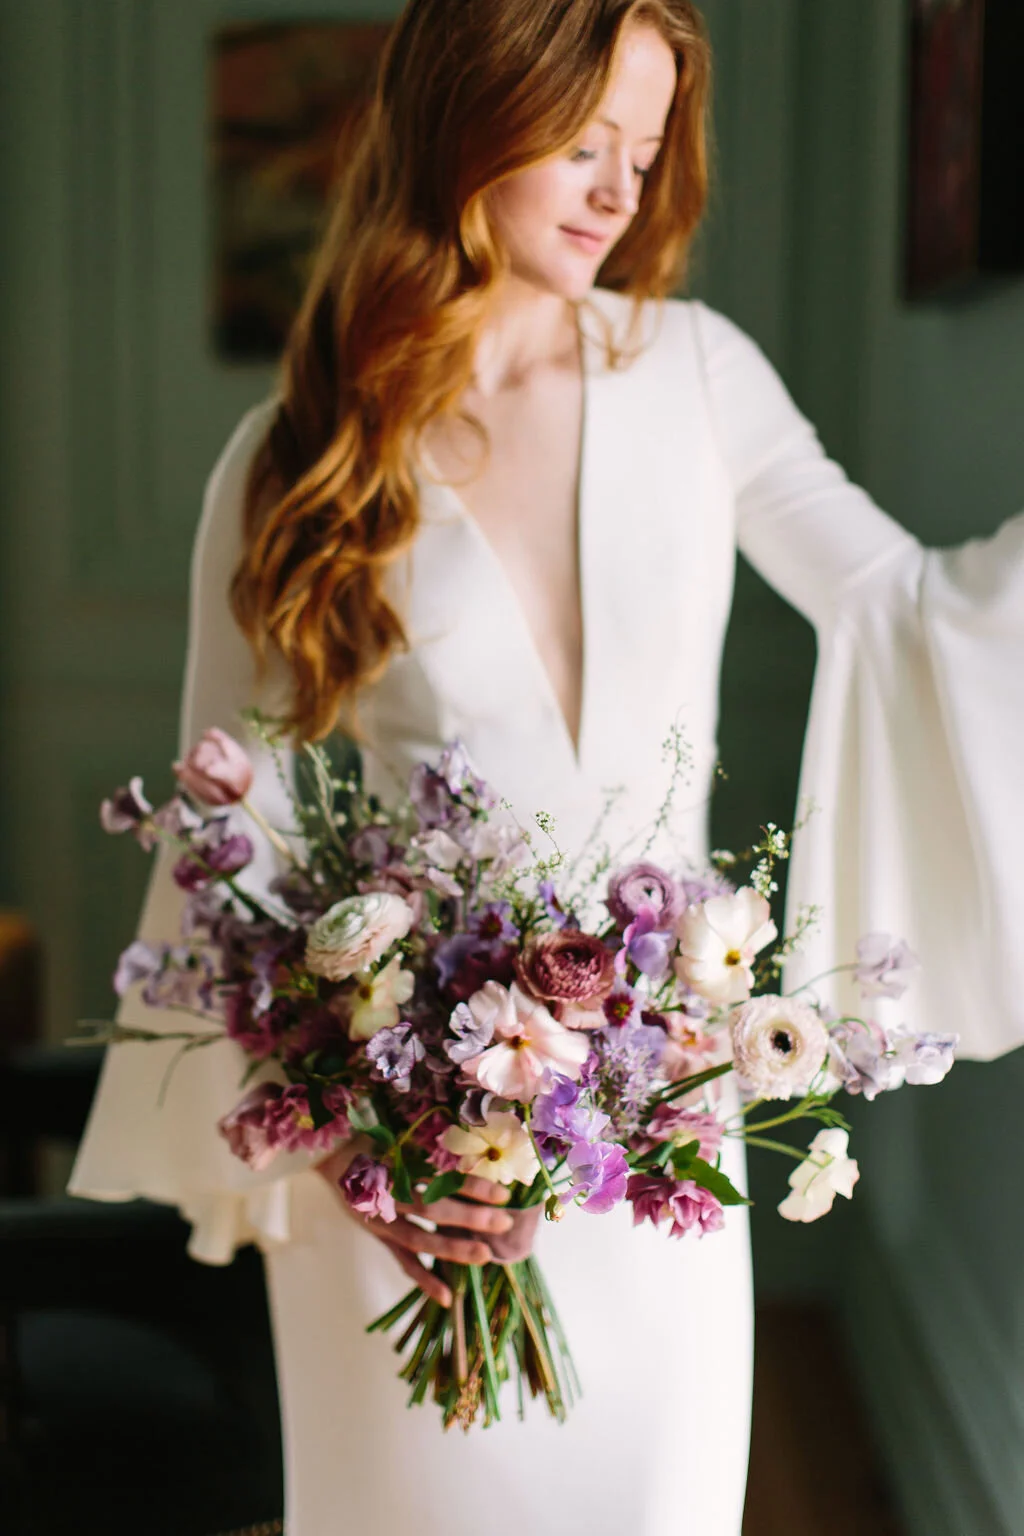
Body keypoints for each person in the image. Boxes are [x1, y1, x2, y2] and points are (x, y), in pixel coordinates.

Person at [69, 2, 1024, 1532]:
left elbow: (905, 610)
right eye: (584, 144)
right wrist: (354, 1158)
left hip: (655, 1141)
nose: (622, 191)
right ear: (471, 118)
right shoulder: (301, 453)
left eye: (646, 149)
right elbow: (226, 837)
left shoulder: (696, 372)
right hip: (409, 1168)